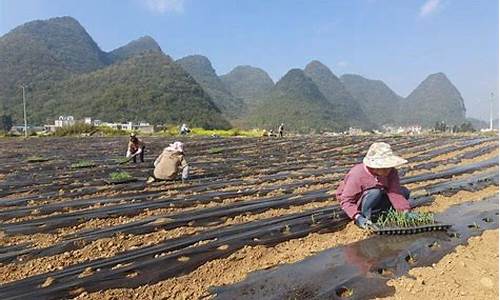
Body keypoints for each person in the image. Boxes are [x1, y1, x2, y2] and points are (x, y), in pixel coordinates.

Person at [336, 142, 411, 230]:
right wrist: (357, 216)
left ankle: (382, 212)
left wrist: (405, 211)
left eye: (389, 167)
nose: (388, 170)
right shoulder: (357, 174)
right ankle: (367, 217)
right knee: (374, 193)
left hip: (377, 196)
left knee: (404, 191)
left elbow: (395, 193)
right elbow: (346, 200)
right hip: (358, 200)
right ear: (374, 167)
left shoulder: (391, 172)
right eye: (384, 168)